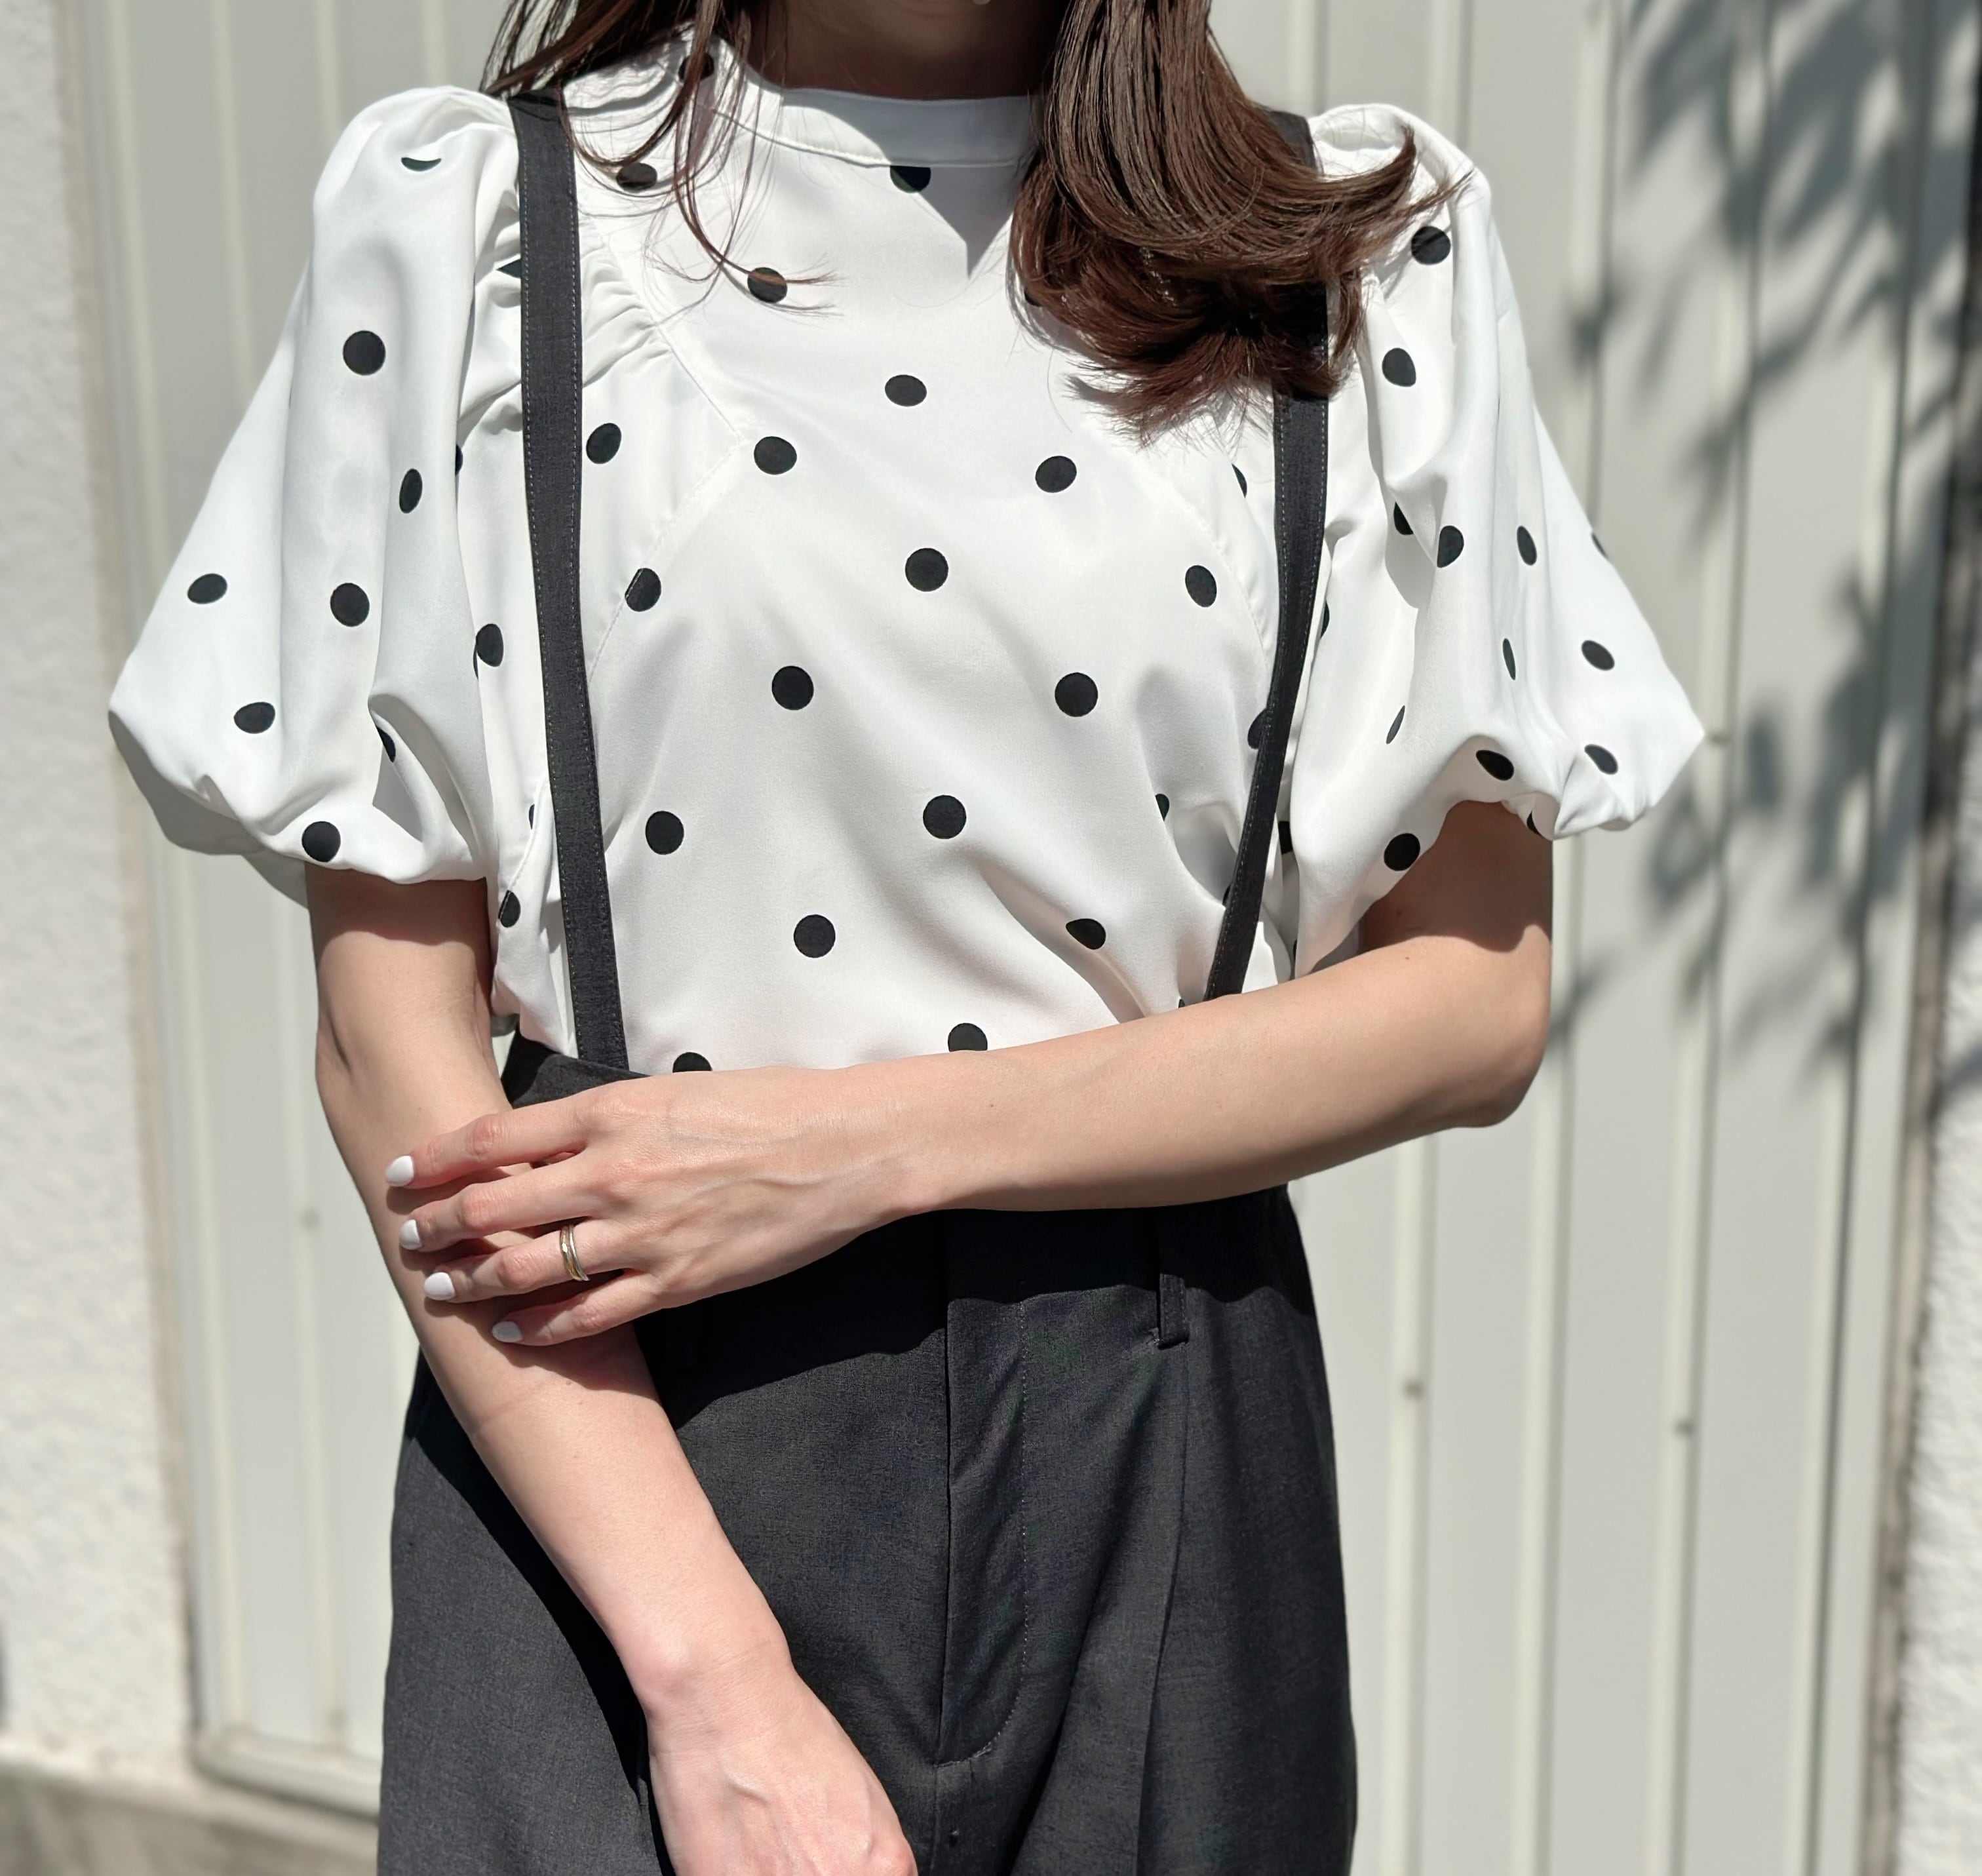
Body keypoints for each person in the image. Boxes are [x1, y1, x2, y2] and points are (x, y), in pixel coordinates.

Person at [108, 0, 1703, 1867]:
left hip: (1161, 1421)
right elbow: (394, 1046)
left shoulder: (1347, 248)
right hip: (621, 1414)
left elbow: (1473, 1000)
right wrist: (714, 1681)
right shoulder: (477, 224)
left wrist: (852, 1149)